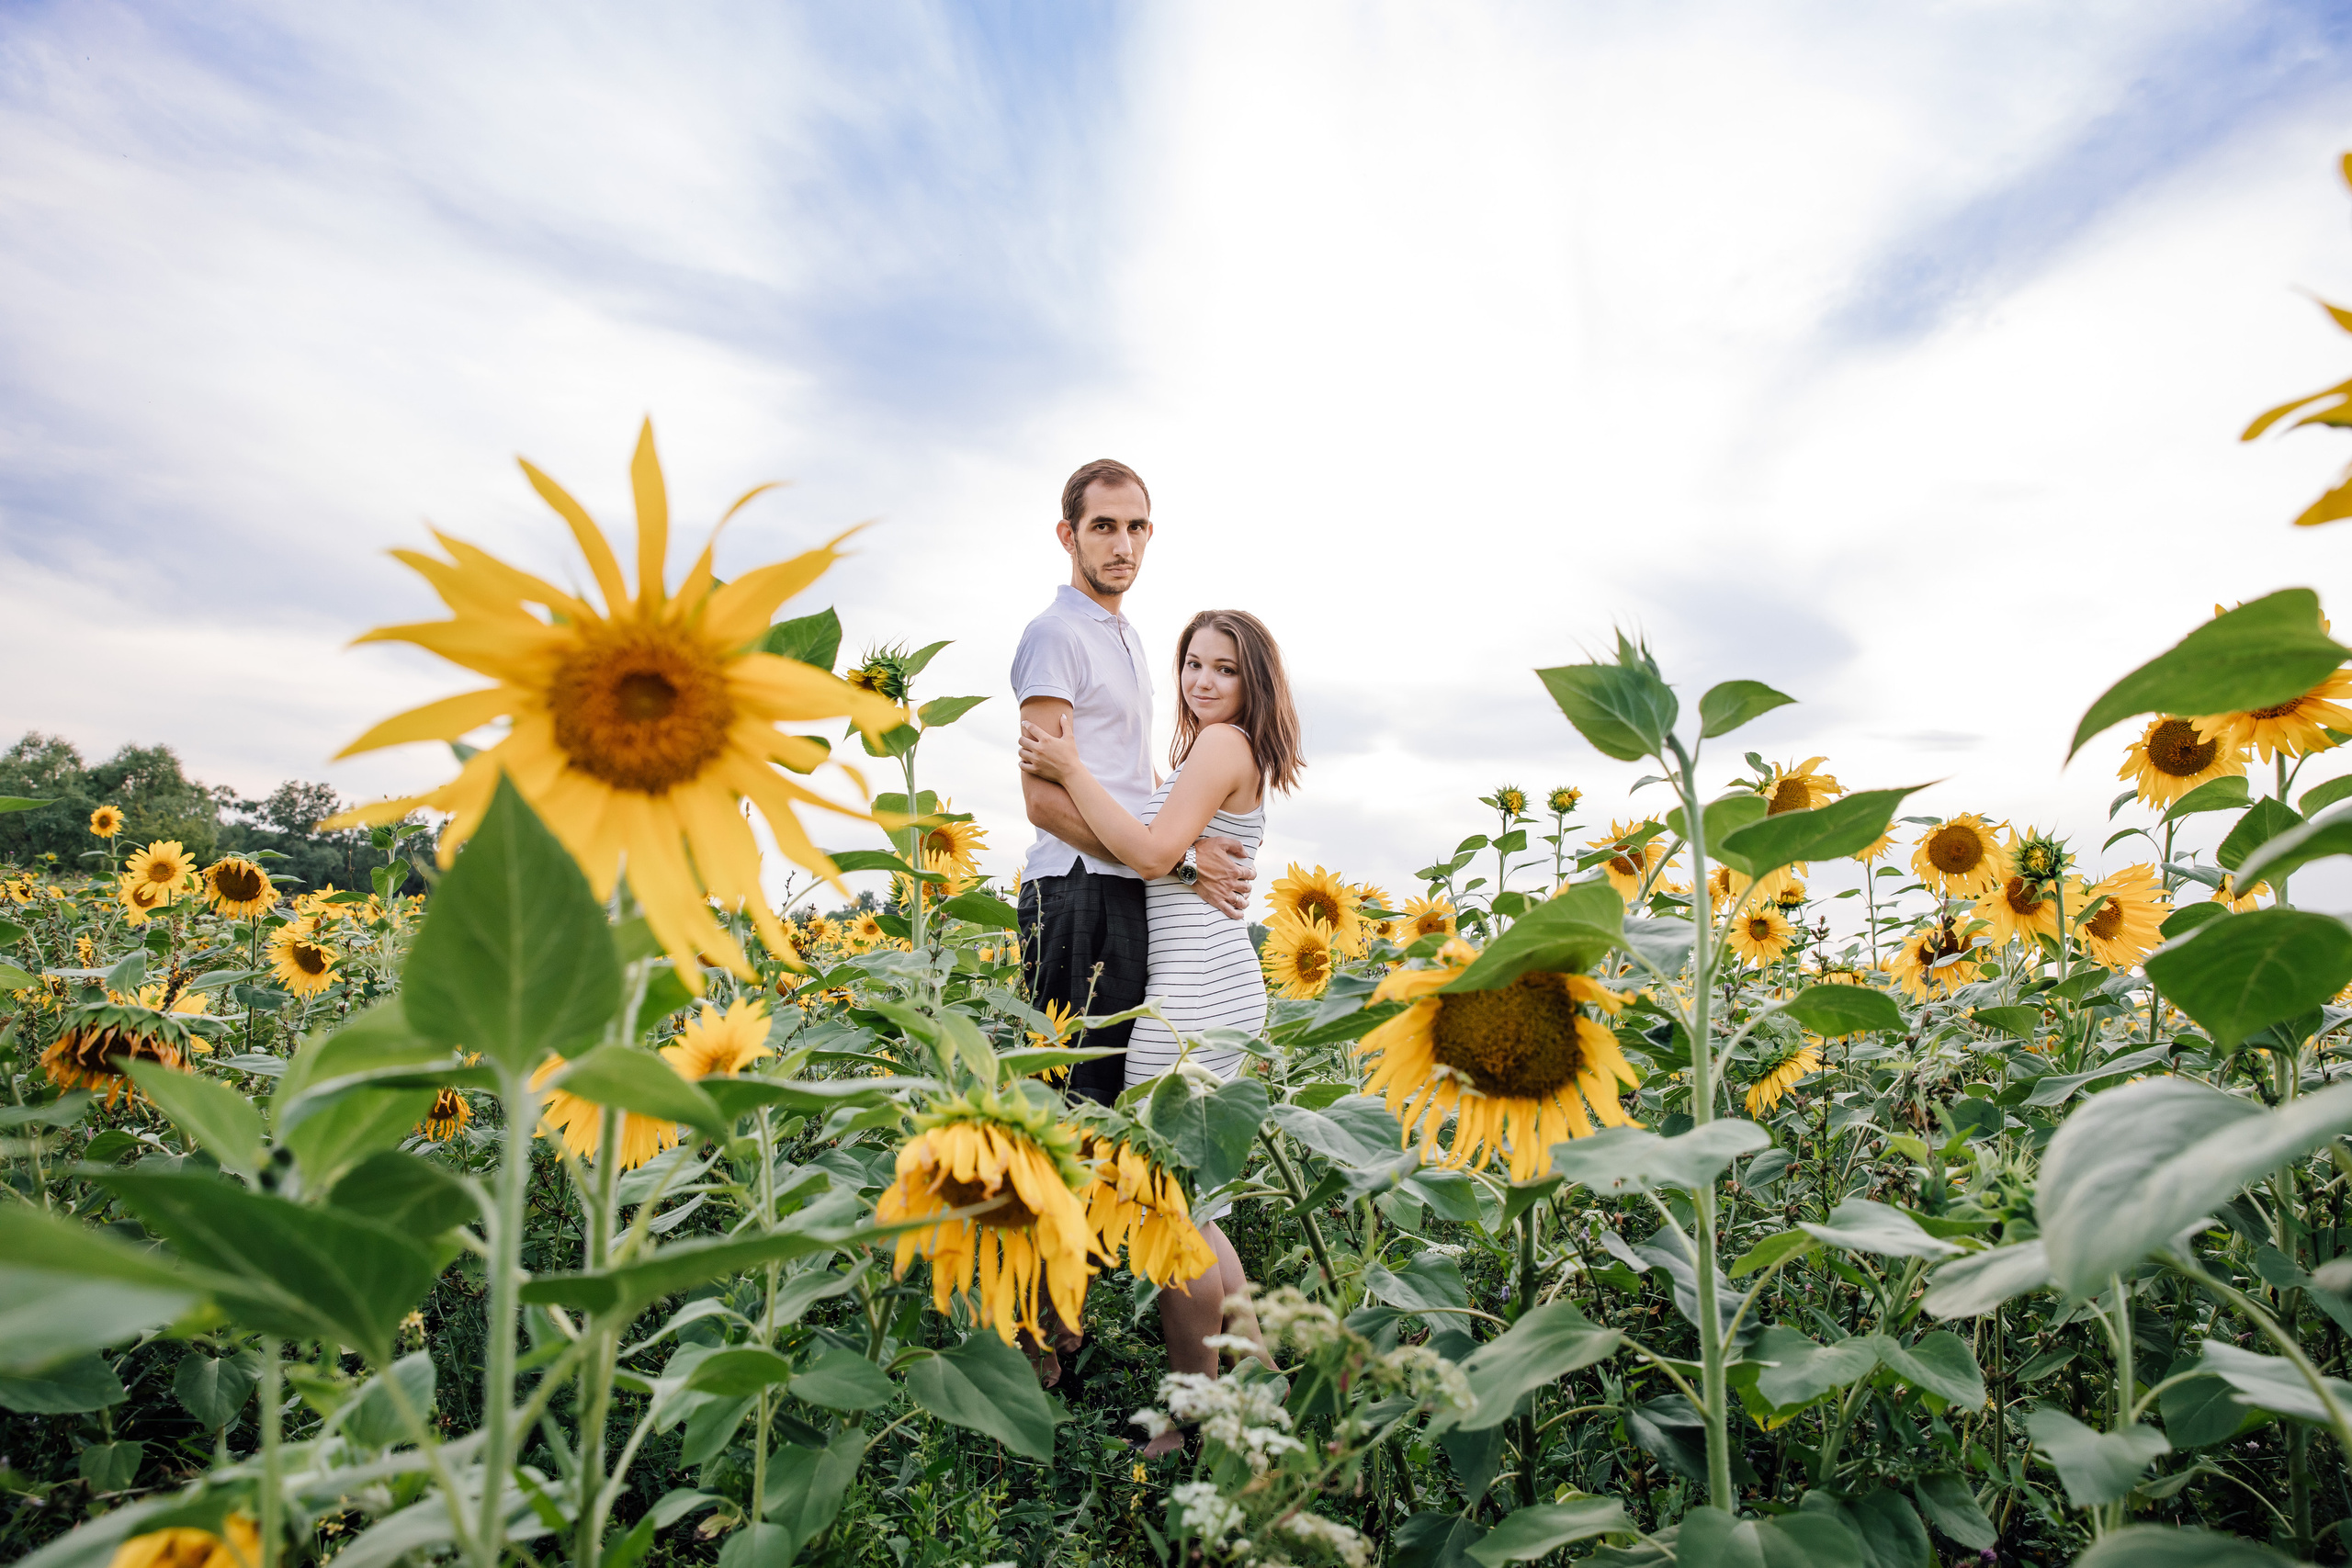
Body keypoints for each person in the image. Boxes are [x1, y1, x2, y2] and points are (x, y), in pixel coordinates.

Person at [1020, 607, 1304, 1456]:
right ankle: (1260, 1386)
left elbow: (1147, 851)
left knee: (1167, 1207)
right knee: (1198, 1204)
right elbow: (1158, 842)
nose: (1202, 681)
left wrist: (1068, 761)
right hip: (1204, 986)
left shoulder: (1222, 747)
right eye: (1192, 665)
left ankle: (1193, 1419)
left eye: (1224, 669)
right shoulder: (1212, 753)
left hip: (1194, 996)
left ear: (1256, 683)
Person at [1010, 459, 1258, 1393]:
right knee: (1071, 1122)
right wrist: (1179, 858)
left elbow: (1123, 791)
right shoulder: (1054, 637)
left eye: (1137, 528)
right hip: (1076, 893)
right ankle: (1042, 1356)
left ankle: (1096, 1349)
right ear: (1067, 534)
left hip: (1118, 897)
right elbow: (1042, 798)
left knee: (1117, 1134)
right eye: (1104, 526)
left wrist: (1169, 856)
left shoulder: (1123, 637)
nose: (1122, 545)